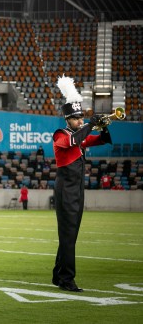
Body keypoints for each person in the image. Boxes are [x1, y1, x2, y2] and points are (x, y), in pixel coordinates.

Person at [52, 76, 111, 293]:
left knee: (71, 234)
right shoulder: (61, 134)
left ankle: (58, 275)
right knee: (68, 235)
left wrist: (103, 127)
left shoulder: (80, 134)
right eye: (76, 118)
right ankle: (67, 279)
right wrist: (90, 126)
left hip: (77, 189)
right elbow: (73, 141)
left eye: (81, 117)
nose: (80, 120)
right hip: (65, 189)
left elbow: (102, 140)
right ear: (68, 119)